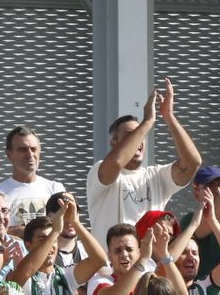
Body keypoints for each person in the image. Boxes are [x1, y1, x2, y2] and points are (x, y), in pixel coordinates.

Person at [87, 77, 203, 229]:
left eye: (141, 135)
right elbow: (116, 162)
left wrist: (169, 117)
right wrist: (147, 121)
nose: (138, 140)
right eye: (131, 135)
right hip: (109, 253)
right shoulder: (100, 169)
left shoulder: (156, 176)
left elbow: (192, 164)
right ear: (114, 142)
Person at [0, 124, 65, 226]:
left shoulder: (55, 189)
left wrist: (16, 231)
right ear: (9, 154)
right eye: (23, 150)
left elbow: (65, 228)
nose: (30, 155)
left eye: (33, 149)